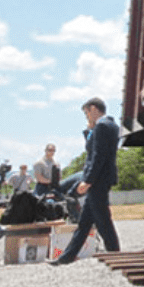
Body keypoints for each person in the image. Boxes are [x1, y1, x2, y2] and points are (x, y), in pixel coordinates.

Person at [50, 98, 121, 264]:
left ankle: (115, 255)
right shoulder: (110, 125)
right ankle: (66, 257)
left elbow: (97, 157)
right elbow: (93, 149)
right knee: (84, 223)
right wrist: (89, 130)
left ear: (93, 109)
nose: (86, 117)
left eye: (86, 113)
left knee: (103, 220)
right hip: (102, 178)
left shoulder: (102, 126)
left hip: (98, 180)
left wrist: (87, 181)